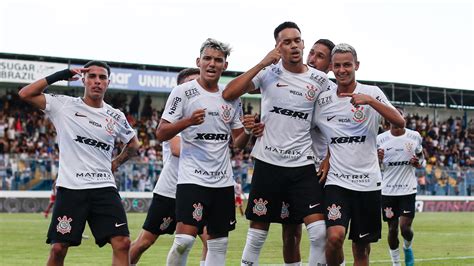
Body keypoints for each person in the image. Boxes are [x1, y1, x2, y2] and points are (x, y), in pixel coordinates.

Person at [223, 21, 330, 266]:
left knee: (319, 232)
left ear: (303, 43)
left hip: (302, 166)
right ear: (277, 47)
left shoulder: (320, 81)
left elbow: (335, 121)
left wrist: (329, 157)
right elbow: (229, 93)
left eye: (297, 40)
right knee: (258, 233)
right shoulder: (268, 73)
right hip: (268, 162)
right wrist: (262, 62)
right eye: (286, 42)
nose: (293, 46)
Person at [18, 61, 140, 266]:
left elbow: (134, 144)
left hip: (104, 188)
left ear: (108, 83)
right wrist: (61, 75)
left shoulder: (115, 115)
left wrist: (116, 163)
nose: (97, 82)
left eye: (102, 78)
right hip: (71, 188)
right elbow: (25, 94)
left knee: (123, 242)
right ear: (84, 79)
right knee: (58, 248)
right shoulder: (64, 105)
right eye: (92, 76)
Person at [156, 38, 255, 265]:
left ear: (225, 66)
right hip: (192, 179)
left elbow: (238, 143)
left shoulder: (231, 96)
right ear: (198, 61)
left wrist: (249, 130)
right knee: (183, 241)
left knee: (218, 244)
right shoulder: (182, 92)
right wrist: (188, 121)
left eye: (218, 60)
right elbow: (161, 133)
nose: (212, 64)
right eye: (208, 59)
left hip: (222, 182)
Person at [313, 43, 405, 266]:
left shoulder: (372, 92)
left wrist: (371, 102)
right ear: (332, 68)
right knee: (334, 237)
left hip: (368, 184)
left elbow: (399, 122)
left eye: (347, 65)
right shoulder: (323, 100)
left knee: (361, 249)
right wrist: (326, 157)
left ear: (357, 65)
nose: (342, 70)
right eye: (337, 66)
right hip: (337, 182)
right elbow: (314, 132)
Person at [129, 68, 211, 266]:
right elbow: (176, 149)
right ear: (180, 89)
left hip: (198, 188)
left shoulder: (206, 119)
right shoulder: (174, 119)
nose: (195, 87)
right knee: (145, 242)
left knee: (212, 241)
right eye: (190, 83)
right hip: (171, 190)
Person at [377, 107, 425, 266]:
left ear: (403, 118)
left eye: (400, 116)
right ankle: (396, 263)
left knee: (405, 228)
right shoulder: (380, 139)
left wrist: (418, 163)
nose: (397, 119)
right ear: (388, 118)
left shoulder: (414, 136)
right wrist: (378, 160)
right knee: (392, 230)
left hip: (407, 189)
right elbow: (376, 167)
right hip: (388, 190)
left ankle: (407, 247)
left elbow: (421, 159)